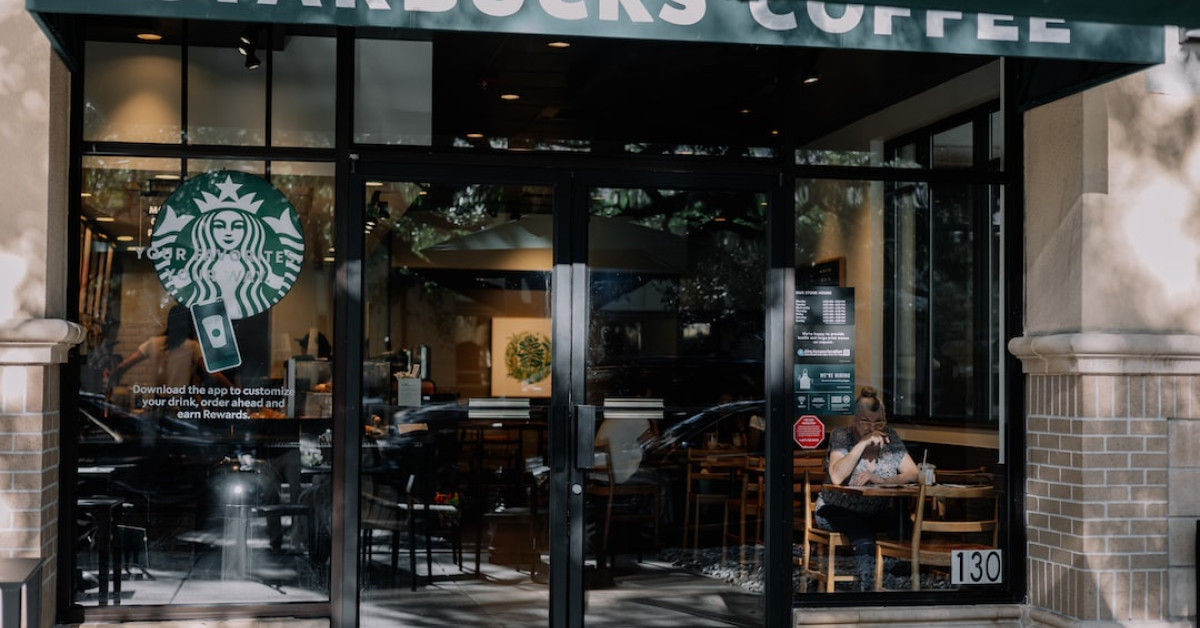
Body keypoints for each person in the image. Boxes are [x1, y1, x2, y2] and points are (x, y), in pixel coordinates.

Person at [814, 386, 919, 590]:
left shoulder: (891, 438)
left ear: (885, 420)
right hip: (836, 509)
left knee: (905, 527)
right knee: (863, 534)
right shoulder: (841, 435)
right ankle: (868, 587)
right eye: (865, 422)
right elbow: (836, 476)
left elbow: (914, 473)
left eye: (878, 422)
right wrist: (862, 443)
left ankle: (902, 583)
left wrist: (882, 480)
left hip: (875, 510)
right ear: (854, 420)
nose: (873, 428)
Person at [108, 304, 232, 400]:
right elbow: (213, 374)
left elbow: (125, 365)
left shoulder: (153, 342)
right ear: (188, 324)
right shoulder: (192, 347)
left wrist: (112, 379)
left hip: (158, 404)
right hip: (179, 406)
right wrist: (235, 391)